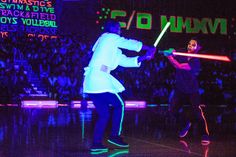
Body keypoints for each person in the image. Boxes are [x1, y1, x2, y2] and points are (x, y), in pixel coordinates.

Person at [83, 19, 156, 152]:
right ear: (112, 28)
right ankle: (114, 136)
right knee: (119, 104)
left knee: (104, 114)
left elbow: (125, 61)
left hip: (93, 80)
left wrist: (144, 57)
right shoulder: (108, 37)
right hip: (99, 78)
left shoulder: (110, 46)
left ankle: (96, 144)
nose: (120, 30)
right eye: (119, 28)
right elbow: (128, 43)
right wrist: (148, 47)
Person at [164, 37, 210, 145]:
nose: (190, 46)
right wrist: (171, 51)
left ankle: (205, 134)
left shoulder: (196, 62)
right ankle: (185, 124)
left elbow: (178, 66)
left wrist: (169, 57)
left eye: (193, 45)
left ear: (198, 47)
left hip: (192, 90)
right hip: (180, 89)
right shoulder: (182, 53)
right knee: (172, 110)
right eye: (189, 43)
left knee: (197, 112)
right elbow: (174, 52)